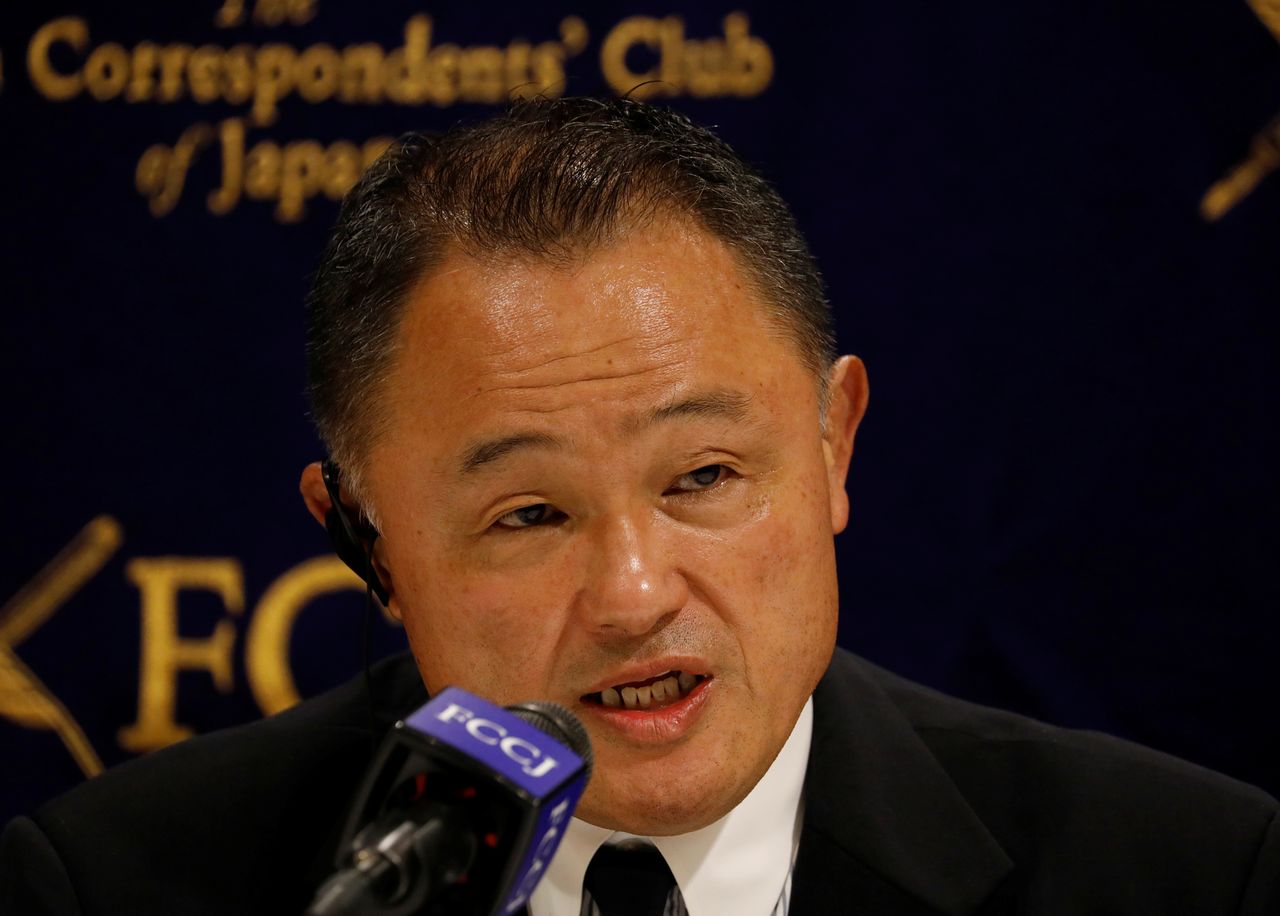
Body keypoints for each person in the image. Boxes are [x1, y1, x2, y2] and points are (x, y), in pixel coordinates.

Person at [2, 98, 1277, 915]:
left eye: (701, 479)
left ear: (831, 443)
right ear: (363, 538)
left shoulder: (1186, 877)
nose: (632, 594)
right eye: (529, 514)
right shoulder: (107, 889)